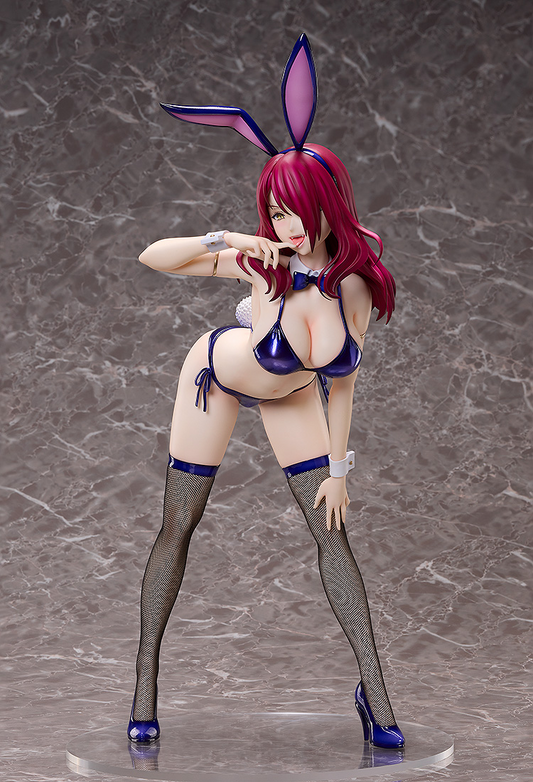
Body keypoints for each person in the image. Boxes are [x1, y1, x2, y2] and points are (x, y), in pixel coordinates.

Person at [127, 35, 404, 750]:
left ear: (327, 204)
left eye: (296, 211)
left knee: (332, 535)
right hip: (215, 378)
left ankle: (376, 697)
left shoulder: (353, 287)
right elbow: (153, 257)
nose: (286, 227)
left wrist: (339, 470)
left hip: (294, 395)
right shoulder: (264, 266)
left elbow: (343, 386)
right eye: (275, 213)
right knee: (178, 525)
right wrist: (228, 239)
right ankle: (144, 686)